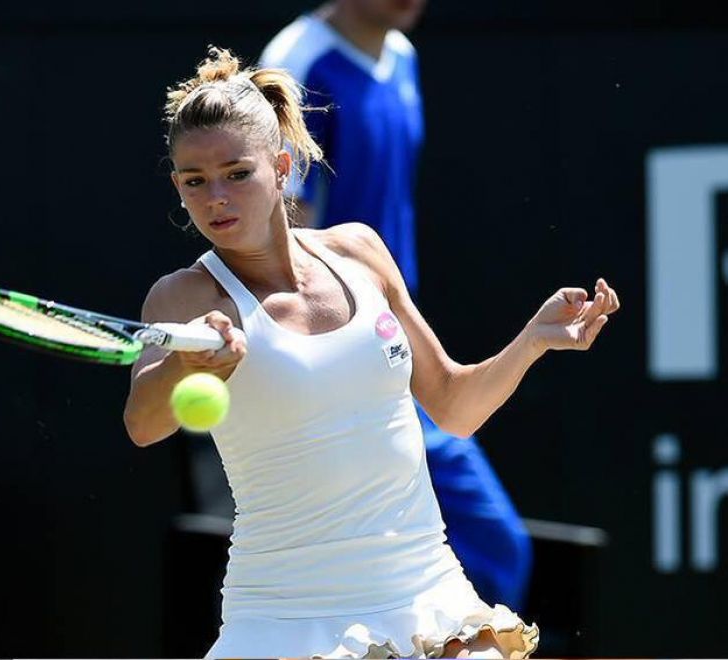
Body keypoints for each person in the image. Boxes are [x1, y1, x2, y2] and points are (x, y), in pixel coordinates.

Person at [124, 48, 619, 659]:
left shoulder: (359, 250)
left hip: (428, 594)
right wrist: (187, 364)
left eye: (237, 173)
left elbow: (454, 406)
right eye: (195, 181)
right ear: (178, 187)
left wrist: (534, 340)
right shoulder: (182, 297)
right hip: (285, 617)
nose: (216, 197)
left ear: (281, 168)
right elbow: (143, 424)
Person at [260, 0, 533, 609]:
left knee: (493, 550)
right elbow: (279, 220)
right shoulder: (297, 62)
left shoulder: (403, 57)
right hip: (335, 359)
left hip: (391, 341)